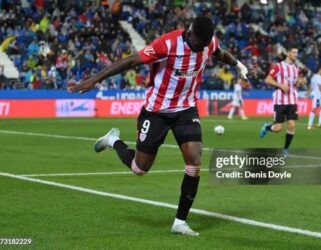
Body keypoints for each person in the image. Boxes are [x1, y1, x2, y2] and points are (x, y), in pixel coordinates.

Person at [68, 16, 253, 236]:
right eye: (199, 43)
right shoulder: (167, 44)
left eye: (205, 44)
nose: (202, 47)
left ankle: (180, 222)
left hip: (186, 109)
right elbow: (130, 61)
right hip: (157, 112)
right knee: (140, 168)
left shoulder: (207, 42)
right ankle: (113, 140)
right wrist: (94, 80)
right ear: (189, 31)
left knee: (194, 162)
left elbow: (219, 53)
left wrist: (238, 65)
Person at [259, 46, 305, 156]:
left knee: (292, 125)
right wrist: (280, 85)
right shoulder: (279, 67)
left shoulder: (296, 69)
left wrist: (301, 82)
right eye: (294, 52)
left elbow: (295, 84)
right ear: (288, 53)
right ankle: (267, 127)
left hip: (292, 100)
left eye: (297, 53)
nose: (296, 55)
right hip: (280, 100)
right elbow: (268, 80)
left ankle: (285, 149)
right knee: (278, 128)